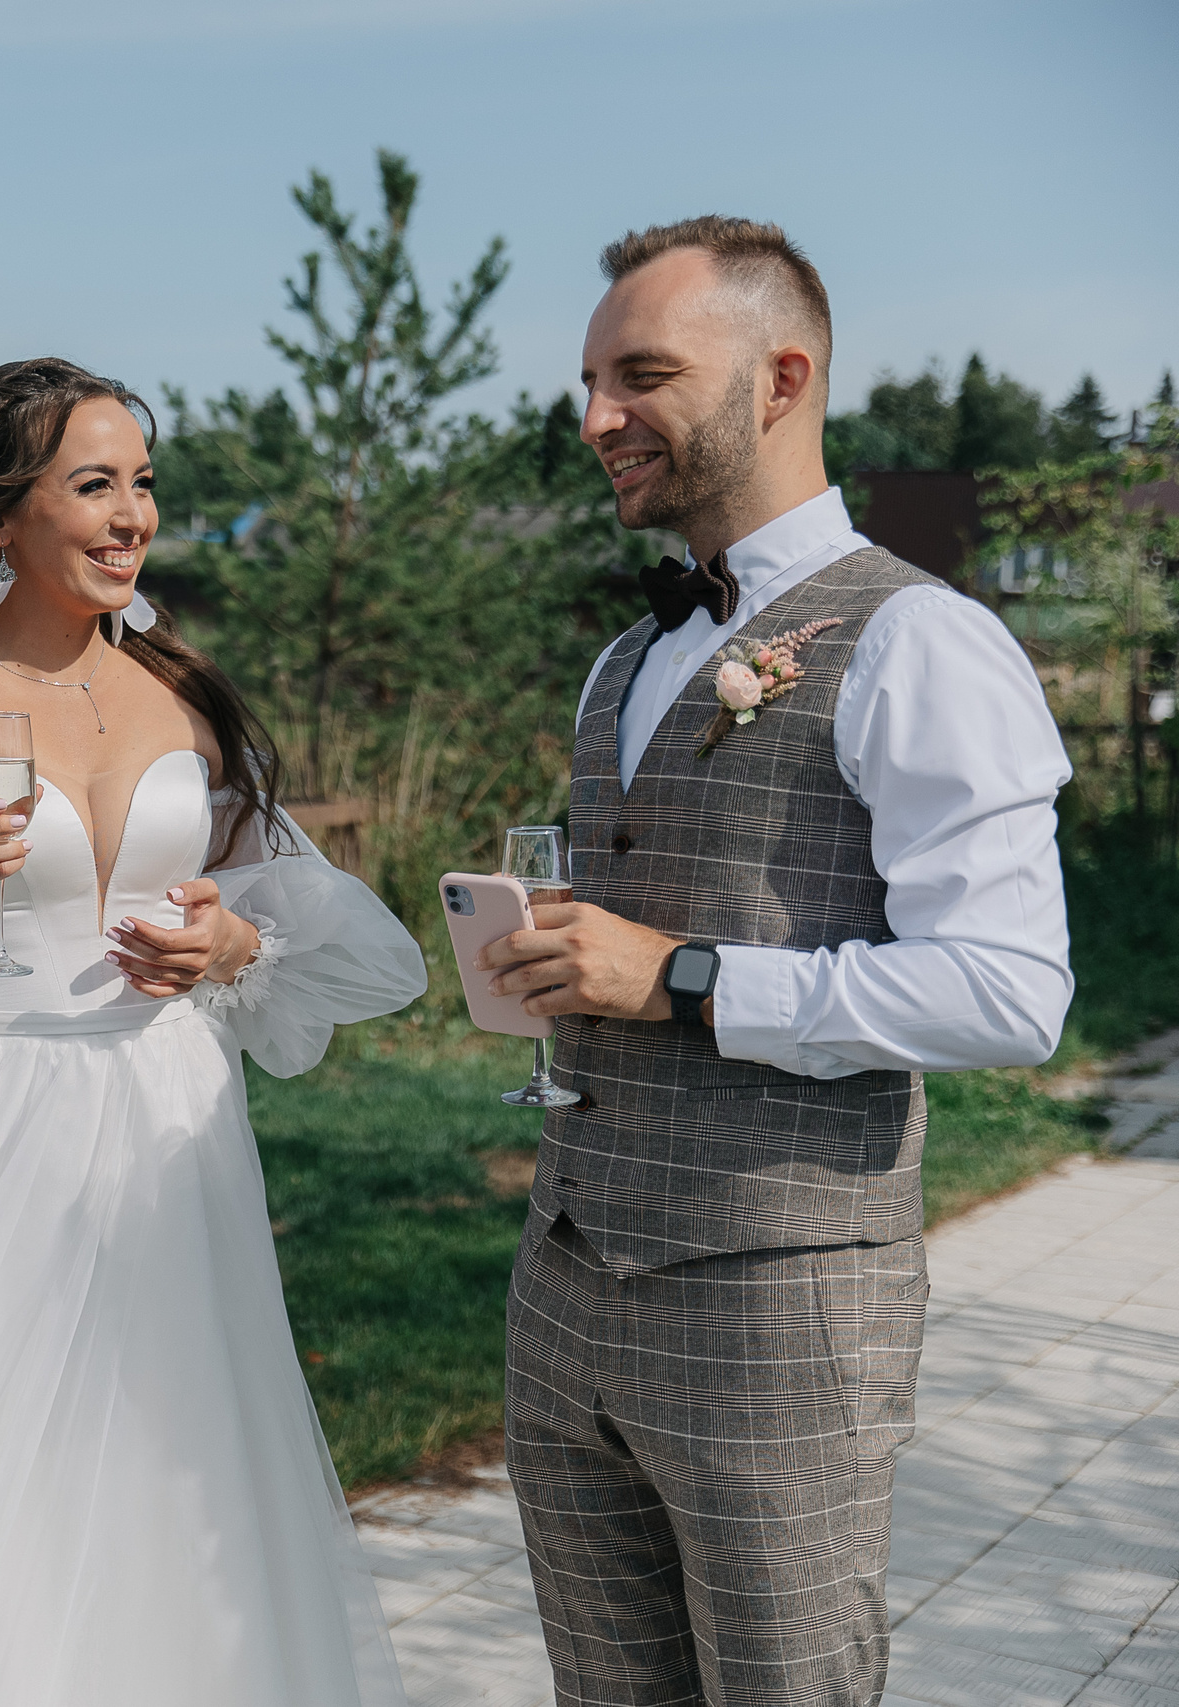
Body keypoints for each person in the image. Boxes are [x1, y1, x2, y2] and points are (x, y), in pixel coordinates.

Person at [0, 357, 429, 1707]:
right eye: (93, 486)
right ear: (1, 515)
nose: (133, 517)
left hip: (171, 1128)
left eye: (145, 486)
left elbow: (320, 934)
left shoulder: (185, 696)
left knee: (171, 1477)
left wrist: (238, 948)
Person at [478, 218, 1075, 1707]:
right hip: (565, 1287)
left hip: (775, 1302)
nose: (597, 417)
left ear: (783, 376)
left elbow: (1012, 989)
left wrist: (683, 978)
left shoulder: (924, 642)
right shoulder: (627, 657)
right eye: (591, 379)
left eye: (644, 375)